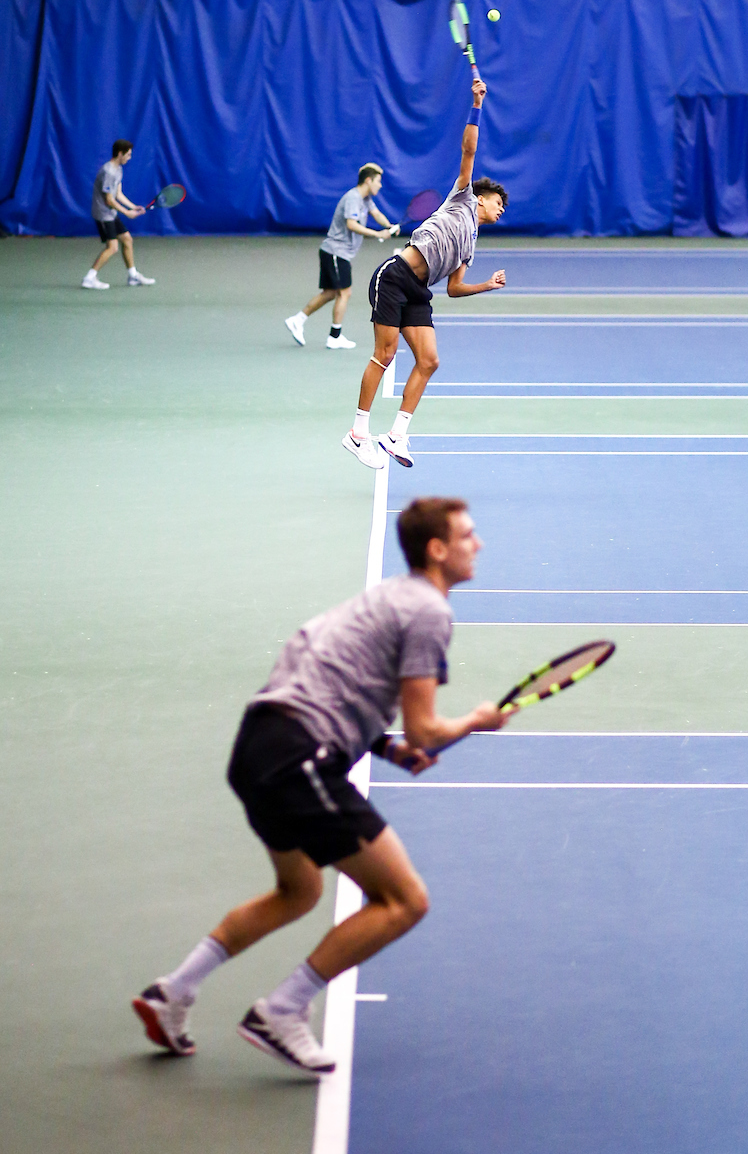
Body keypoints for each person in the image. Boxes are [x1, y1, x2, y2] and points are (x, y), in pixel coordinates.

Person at [132, 497, 515, 1074]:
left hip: (258, 746)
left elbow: (322, 677)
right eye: (468, 535)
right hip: (300, 759)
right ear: (437, 549)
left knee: (299, 891)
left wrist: (386, 747)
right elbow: (426, 730)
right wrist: (475, 722)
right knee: (405, 900)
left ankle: (174, 992)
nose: (478, 544)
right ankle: (282, 1010)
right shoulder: (430, 612)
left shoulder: (385, 597)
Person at [342, 79, 507, 472]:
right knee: (385, 354)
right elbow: (469, 149)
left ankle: (396, 434)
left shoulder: (470, 244)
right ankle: (358, 433)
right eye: (498, 203)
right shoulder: (462, 197)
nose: (501, 210)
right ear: (481, 198)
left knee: (429, 361)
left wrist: (486, 285)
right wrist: (476, 104)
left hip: (419, 290)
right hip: (395, 276)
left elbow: (454, 288)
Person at [284, 163, 398, 350]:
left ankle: (298, 320)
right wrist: (378, 234)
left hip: (336, 253)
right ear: (368, 181)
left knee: (330, 293)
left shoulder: (366, 199)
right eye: (378, 181)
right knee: (345, 293)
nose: (380, 185)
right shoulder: (353, 198)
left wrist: (389, 226)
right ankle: (334, 337)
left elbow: (376, 214)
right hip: (336, 252)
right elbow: (351, 224)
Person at [81, 140, 155, 290]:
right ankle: (89, 278)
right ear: (120, 154)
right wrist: (127, 213)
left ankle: (133, 276)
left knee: (127, 239)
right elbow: (109, 200)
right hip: (103, 214)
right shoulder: (108, 171)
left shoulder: (118, 169)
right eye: (128, 155)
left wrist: (133, 207)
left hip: (111, 212)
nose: (130, 158)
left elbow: (118, 194)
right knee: (112, 247)